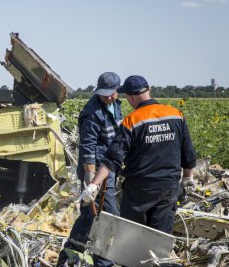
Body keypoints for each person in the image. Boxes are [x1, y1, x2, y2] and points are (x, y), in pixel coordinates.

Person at [81, 75, 197, 249]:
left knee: (132, 241)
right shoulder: (175, 114)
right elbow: (188, 152)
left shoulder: (132, 120)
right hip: (168, 187)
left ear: (130, 97)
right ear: (149, 89)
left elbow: (112, 158)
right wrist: (188, 178)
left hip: (139, 191)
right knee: (161, 240)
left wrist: (94, 184)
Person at [57, 72, 123, 267]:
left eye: (111, 94)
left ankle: (67, 258)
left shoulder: (115, 105)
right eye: (104, 94)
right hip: (96, 172)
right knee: (106, 218)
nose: (108, 97)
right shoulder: (92, 112)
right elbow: (88, 147)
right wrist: (90, 181)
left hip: (109, 167)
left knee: (88, 217)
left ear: (117, 91)